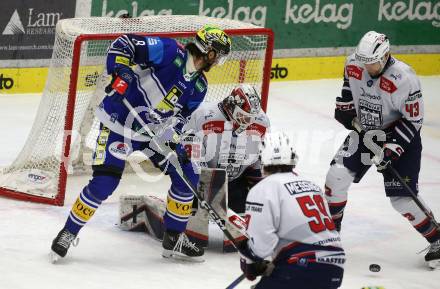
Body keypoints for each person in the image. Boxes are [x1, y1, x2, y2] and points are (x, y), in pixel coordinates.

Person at [50, 25, 232, 262]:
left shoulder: (199, 86)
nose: (219, 61)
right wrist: (121, 71)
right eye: (219, 55)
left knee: (188, 173)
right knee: (104, 183)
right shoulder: (169, 51)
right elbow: (123, 44)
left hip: (152, 136)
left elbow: (180, 119)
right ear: (209, 52)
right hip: (119, 124)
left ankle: (174, 238)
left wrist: (173, 137)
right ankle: (67, 233)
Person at [324, 30, 440, 268]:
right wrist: (345, 108)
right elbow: (349, 89)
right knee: (336, 177)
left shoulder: (404, 78)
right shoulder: (354, 63)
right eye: (364, 61)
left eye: (372, 62)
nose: (367, 67)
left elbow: (413, 120)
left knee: (402, 200)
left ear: (386, 55)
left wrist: (391, 149)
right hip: (366, 133)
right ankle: (329, 237)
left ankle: (437, 239)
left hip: (399, 137)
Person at [239, 132, 345, 289]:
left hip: (301, 264)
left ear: (262, 159)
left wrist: (249, 261)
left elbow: (262, 244)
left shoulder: (264, 188)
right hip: (335, 266)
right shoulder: (312, 185)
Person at [182, 83, 270, 215]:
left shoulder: (262, 122)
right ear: (231, 106)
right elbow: (191, 155)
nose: (248, 123)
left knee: (246, 222)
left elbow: (257, 159)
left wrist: (257, 188)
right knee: (193, 218)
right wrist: (203, 184)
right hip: (203, 183)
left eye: (251, 119)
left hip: (235, 184)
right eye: (244, 117)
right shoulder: (202, 114)